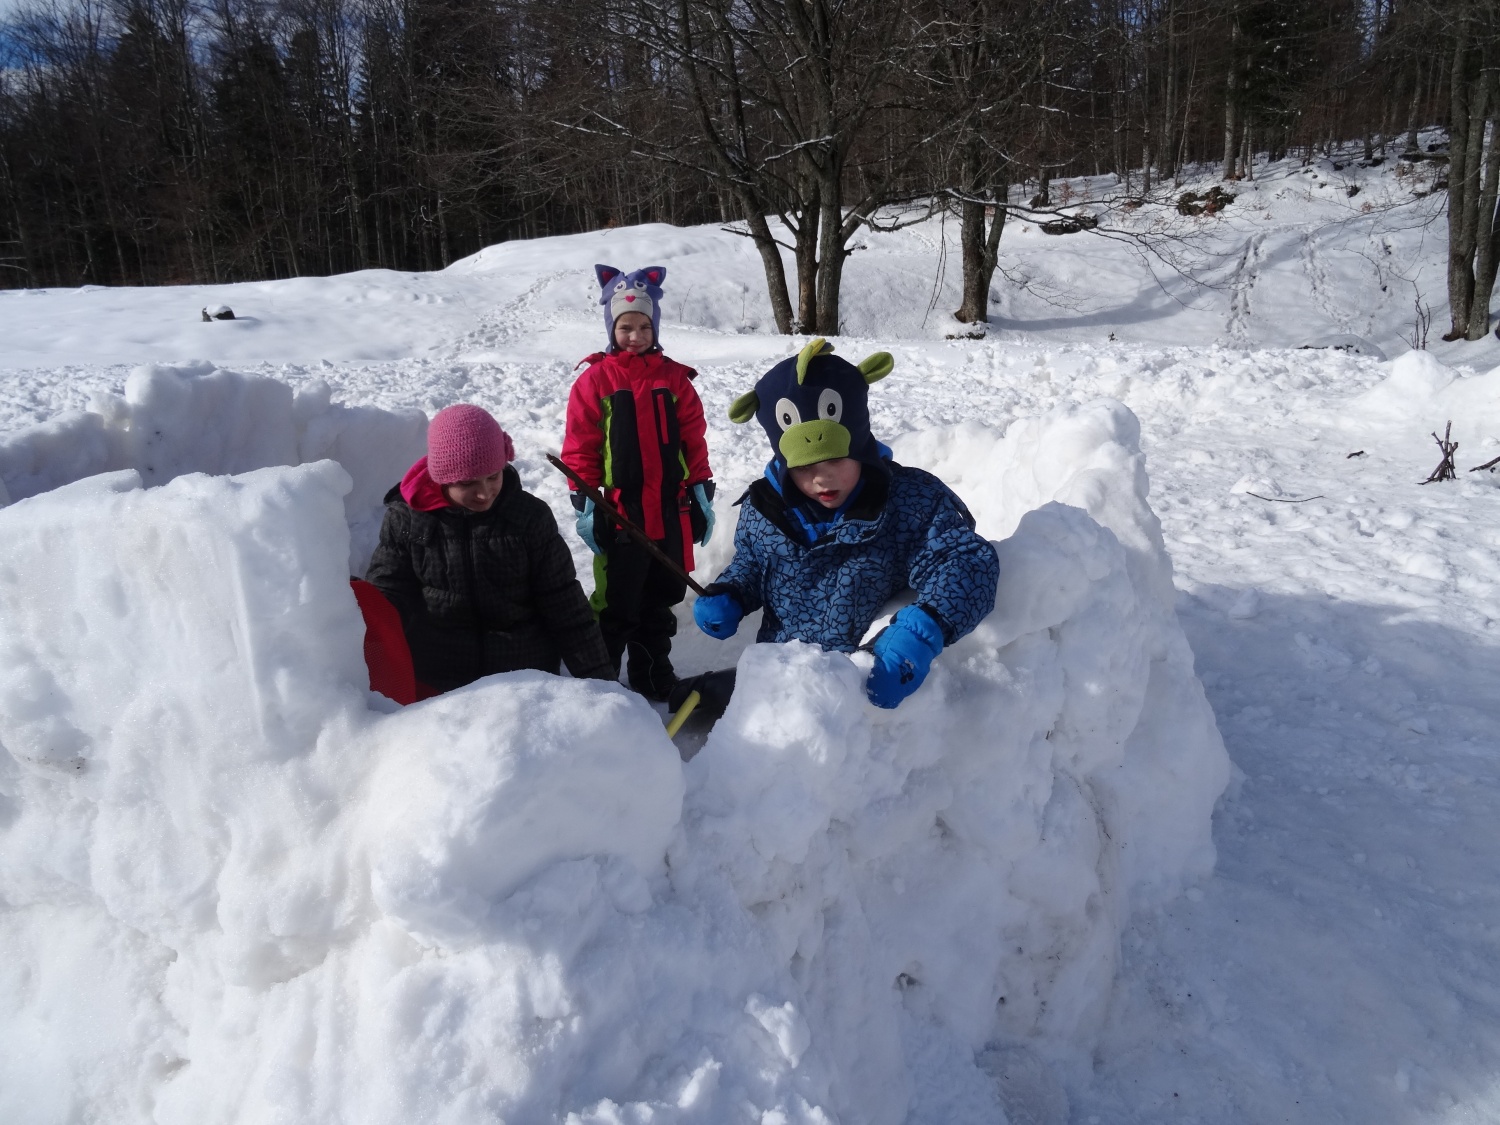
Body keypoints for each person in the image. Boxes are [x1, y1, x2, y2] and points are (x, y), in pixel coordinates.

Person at [690, 339, 999, 709]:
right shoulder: (765, 508)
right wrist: (731, 593)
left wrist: (917, 635)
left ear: (862, 447)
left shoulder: (908, 504)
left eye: (836, 459)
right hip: (779, 679)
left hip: (855, 694)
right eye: (804, 468)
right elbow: (755, 565)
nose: (822, 479)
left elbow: (967, 562)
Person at [365, 403, 615, 693]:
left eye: (493, 476)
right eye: (467, 483)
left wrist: (604, 685)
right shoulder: (408, 520)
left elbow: (564, 604)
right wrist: (368, 615)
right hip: (439, 678)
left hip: (521, 678)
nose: (484, 493)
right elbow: (389, 596)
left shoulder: (528, 518)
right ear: (442, 479)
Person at [560, 264, 715, 701]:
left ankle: (652, 674)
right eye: (625, 326)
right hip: (622, 512)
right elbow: (581, 446)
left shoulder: (675, 380)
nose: (635, 335)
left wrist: (701, 488)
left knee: (660, 599)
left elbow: (694, 440)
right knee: (617, 603)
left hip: (670, 511)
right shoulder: (596, 381)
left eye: (644, 326)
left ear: (655, 327)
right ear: (612, 327)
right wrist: (586, 501)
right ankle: (600, 680)